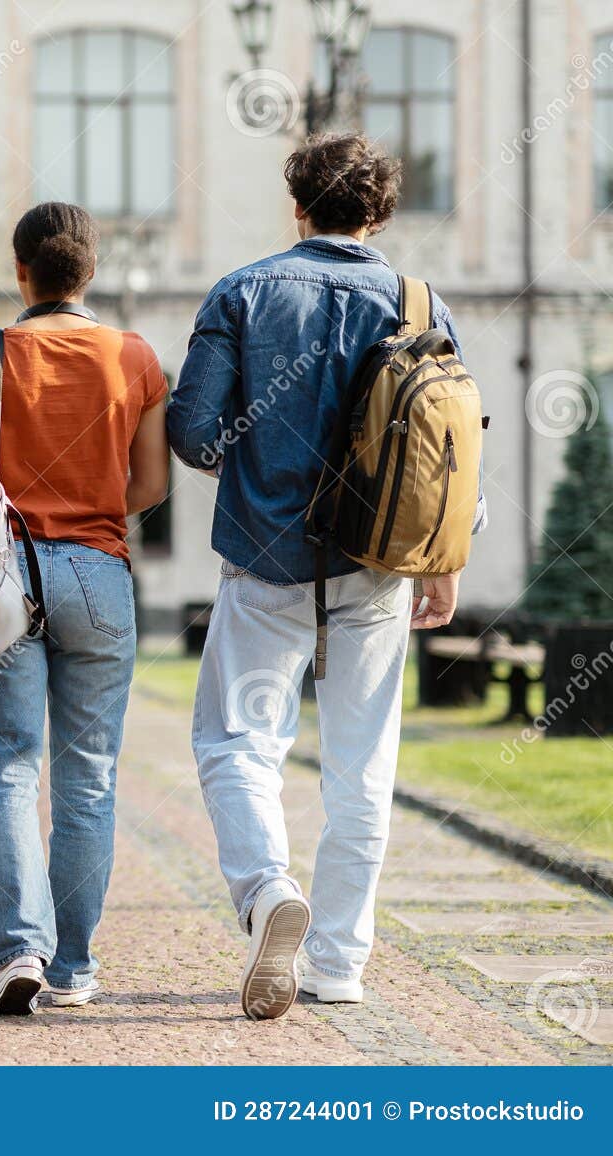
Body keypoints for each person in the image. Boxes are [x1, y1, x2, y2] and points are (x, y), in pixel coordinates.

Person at [168, 133, 480, 1020]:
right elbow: (455, 447)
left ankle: (269, 891)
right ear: (379, 213)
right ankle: (339, 964)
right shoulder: (420, 302)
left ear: (297, 204)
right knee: (362, 765)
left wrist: (253, 457)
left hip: (266, 561)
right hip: (380, 567)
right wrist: (445, 558)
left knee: (236, 743)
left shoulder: (245, 290)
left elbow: (193, 432)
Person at [0, 202, 169, 1015]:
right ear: (92, 271)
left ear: (20, 272)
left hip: (6, 575)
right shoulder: (135, 356)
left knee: (9, 767)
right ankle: (74, 966)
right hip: (101, 573)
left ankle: (18, 953)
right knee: (89, 778)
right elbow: (151, 485)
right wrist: (95, 507)